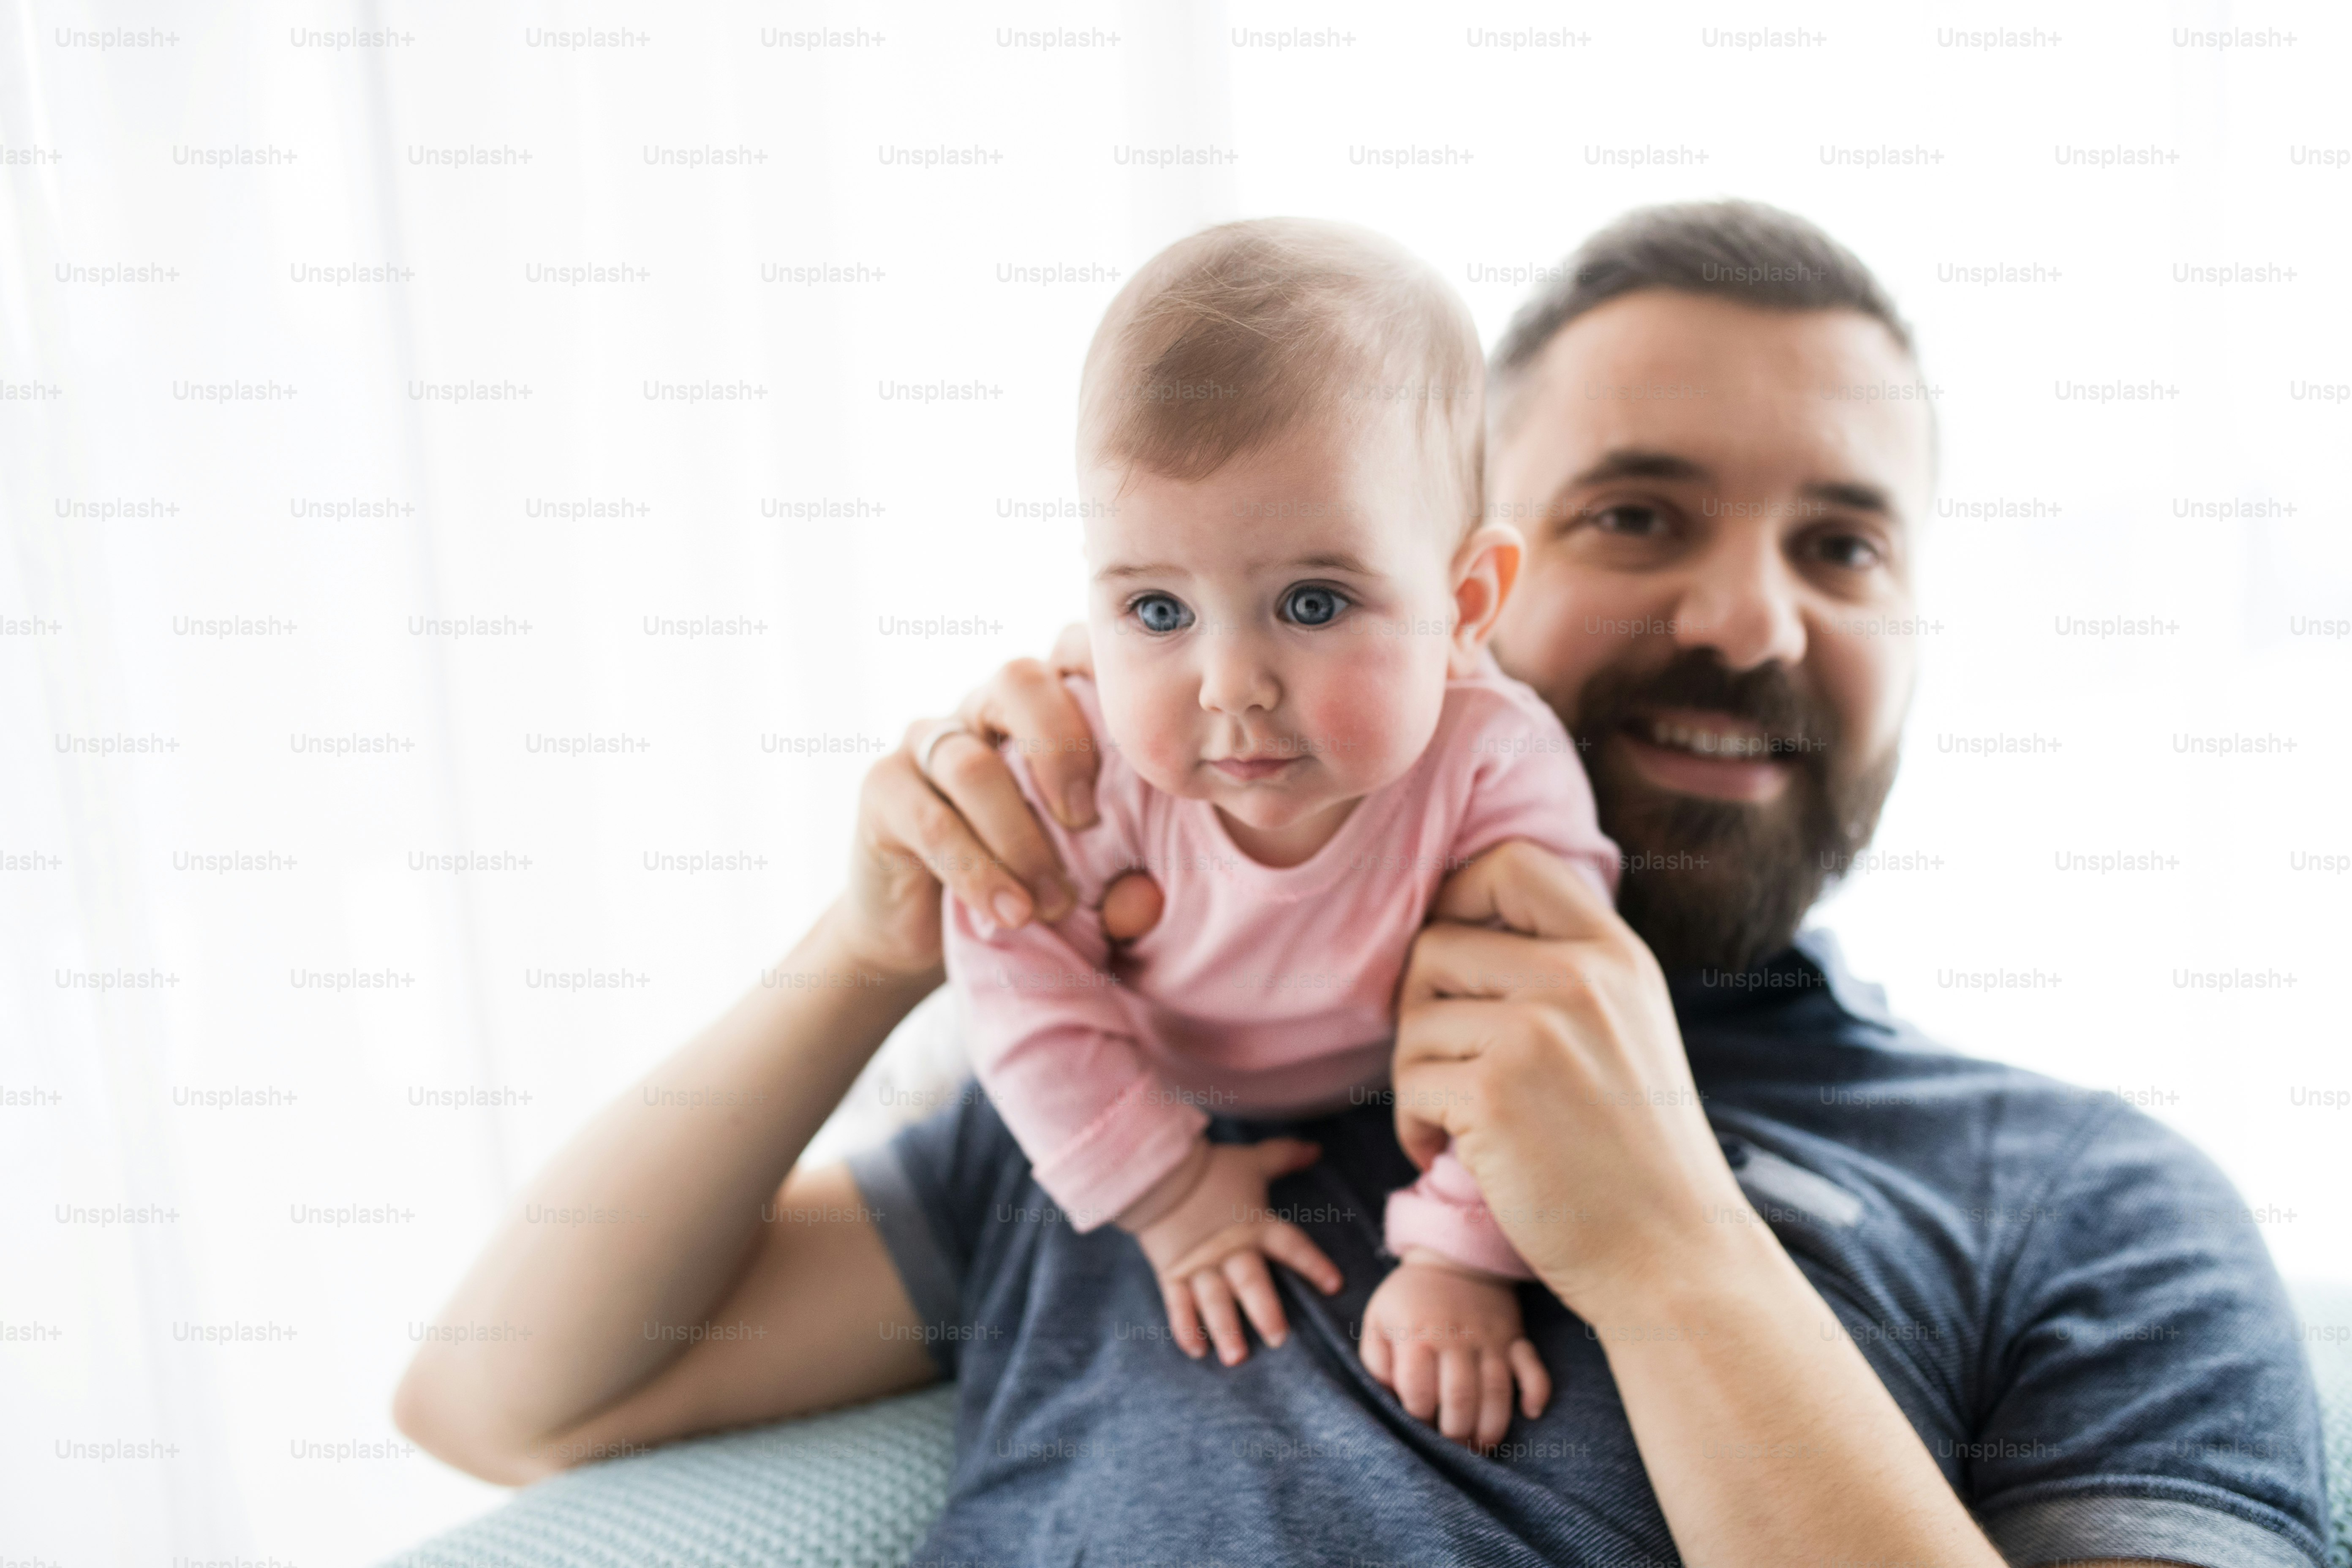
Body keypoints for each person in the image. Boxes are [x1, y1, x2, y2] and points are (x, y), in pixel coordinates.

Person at [394, 202, 2330, 1568]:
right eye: (1635, 513)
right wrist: (865, 950)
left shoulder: (2093, 1202)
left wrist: (1664, 1241)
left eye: (1843, 546)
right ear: (1472, 578)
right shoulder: (1150, 1063)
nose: (1747, 618)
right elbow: (506, 1398)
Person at [943, 217, 1619, 1441]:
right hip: (1136, 1078)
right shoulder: (1084, 754)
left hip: (1377, 1102)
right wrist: (1168, 1192)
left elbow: (1545, 1026)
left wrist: (1464, 1254)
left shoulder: (1495, 763)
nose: (1229, 682)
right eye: (1156, 606)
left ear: (1465, 605)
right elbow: (1008, 964)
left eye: (1313, 602)